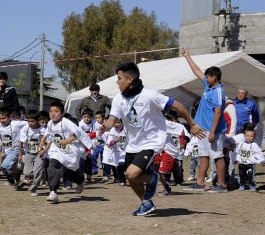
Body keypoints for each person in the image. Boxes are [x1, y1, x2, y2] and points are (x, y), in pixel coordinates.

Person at [99, 62, 202, 216]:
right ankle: (146, 203)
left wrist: (192, 123)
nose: (117, 82)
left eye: (119, 78)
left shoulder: (150, 95)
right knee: (132, 178)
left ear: (130, 80)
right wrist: (104, 127)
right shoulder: (118, 99)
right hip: (132, 143)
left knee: (131, 174)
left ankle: (153, 177)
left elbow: (177, 105)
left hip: (152, 141)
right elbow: (112, 120)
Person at [182, 49, 228, 193]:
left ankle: (221, 184)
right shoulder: (208, 86)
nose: (205, 78)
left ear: (214, 77)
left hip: (213, 130)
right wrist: (187, 56)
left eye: (208, 77)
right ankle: (200, 183)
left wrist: (213, 132)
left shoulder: (218, 91)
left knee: (218, 157)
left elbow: (218, 113)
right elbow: (196, 71)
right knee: (203, 155)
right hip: (202, 129)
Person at [40, 101, 91, 203]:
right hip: (56, 150)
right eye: (51, 111)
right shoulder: (50, 123)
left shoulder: (66, 122)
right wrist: (42, 142)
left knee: (72, 172)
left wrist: (67, 140)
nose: (53, 114)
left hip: (70, 152)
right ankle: (53, 192)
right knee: (52, 166)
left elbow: (77, 133)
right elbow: (48, 134)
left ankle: (80, 180)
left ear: (62, 113)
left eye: (56, 111)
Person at [0, 107, 27, 190]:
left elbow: (28, 124)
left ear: (10, 117)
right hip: (6, 150)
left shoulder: (16, 124)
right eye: (0, 118)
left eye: (4, 118)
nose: (2, 120)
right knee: (13, 168)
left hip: (16, 148)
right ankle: (19, 176)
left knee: (4, 166)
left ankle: (12, 183)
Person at [18, 109, 46, 196]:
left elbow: (48, 142)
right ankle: (31, 177)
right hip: (28, 153)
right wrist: (20, 154)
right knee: (27, 173)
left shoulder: (43, 130)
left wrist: (43, 150)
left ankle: (34, 188)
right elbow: (21, 142)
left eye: (32, 121)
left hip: (39, 153)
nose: (30, 123)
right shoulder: (25, 129)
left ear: (38, 120)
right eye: (28, 121)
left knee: (38, 171)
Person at [231, 128, 265, 192]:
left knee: (251, 175)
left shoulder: (254, 145)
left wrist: (262, 161)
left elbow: (258, 153)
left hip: (250, 164)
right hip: (242, 163)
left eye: (251, 136)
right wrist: (235, 159)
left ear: (254, 137)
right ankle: (242, 185)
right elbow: (236, 152)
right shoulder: (241, 144)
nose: (249, 137)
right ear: (244, 136)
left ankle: (252, 185)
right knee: (241, 175)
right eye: (247, 136)